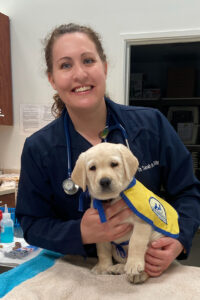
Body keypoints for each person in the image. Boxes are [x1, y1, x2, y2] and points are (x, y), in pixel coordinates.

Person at [16, 23, 200, 278]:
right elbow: (32, 224)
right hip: (76, 271)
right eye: (66, 65)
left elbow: (189, 192)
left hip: (149, 266)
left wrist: (179, 239)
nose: (79, 74)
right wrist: (80, 232)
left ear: (104, 66)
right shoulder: (39, 148)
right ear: (52, 79)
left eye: (88, 60)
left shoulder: (151, 125)